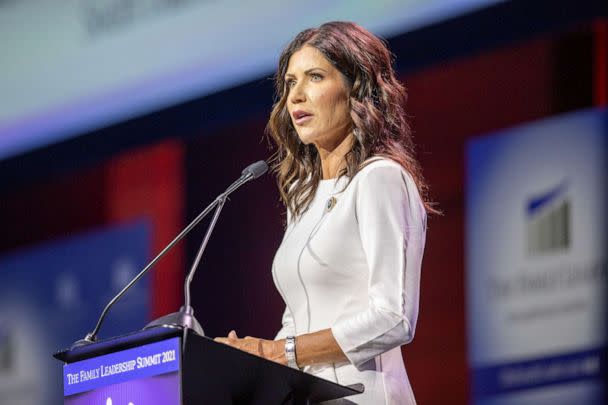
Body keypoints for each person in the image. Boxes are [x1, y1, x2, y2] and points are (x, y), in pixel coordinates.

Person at [215, 21, 436, 404]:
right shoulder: (305, 194)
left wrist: (274, 352)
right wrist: (249, 359)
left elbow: (393, 317)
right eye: (289, 83)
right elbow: (298, 319)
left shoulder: (380, 178)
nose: (296, 96)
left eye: (315, 77)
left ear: (357, 88)